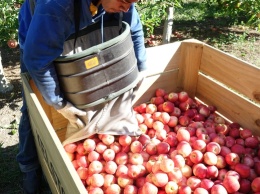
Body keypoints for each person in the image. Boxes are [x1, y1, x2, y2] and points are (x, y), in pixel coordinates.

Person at [17, 0, 147, 193]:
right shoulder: (57, 6)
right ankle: (30, 168)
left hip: (84, 25)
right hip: (40, 38)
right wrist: (59, 103)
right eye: (125, 1)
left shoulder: (119, 2)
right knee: (35, 108)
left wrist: (141, 66)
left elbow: (133, 29)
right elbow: (37, 60)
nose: (127, 7)